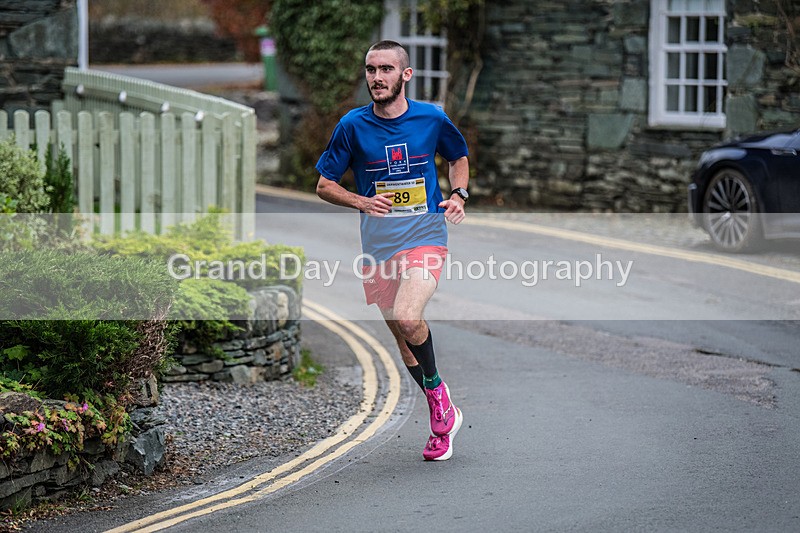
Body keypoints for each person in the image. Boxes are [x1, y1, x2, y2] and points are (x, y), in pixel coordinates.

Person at [315, 40, 470, 461]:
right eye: (370, 69)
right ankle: (444, 411)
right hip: (379, 248)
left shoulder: (431, 118)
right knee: (404, 343)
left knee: (408, 316)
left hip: (425, 235)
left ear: (405, 75)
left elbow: (458, 156)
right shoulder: (352, 125)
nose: (376, 77)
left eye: (385, 69)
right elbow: (325, 185)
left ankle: (438, 399)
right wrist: (362, 201)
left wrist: (459, 193)